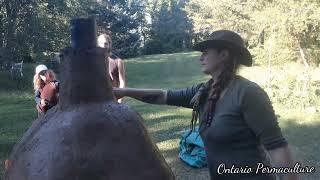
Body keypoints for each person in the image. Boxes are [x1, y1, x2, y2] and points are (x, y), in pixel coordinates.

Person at [113, 30, 298, 180]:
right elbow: (162, 96)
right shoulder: (205, 92)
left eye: (206, 52)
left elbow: (277, 147)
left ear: (224, 55)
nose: (201, 57)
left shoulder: (248, 93)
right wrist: (123, 91)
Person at [97, 33, 126, 103]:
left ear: (110, 44)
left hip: (114, 98)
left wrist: (120, 100)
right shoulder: (95, 61)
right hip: (99, 99)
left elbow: (122, 82)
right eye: (101, 43)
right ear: (97, 44)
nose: (103, 46)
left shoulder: (118, 61)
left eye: (106, 43)